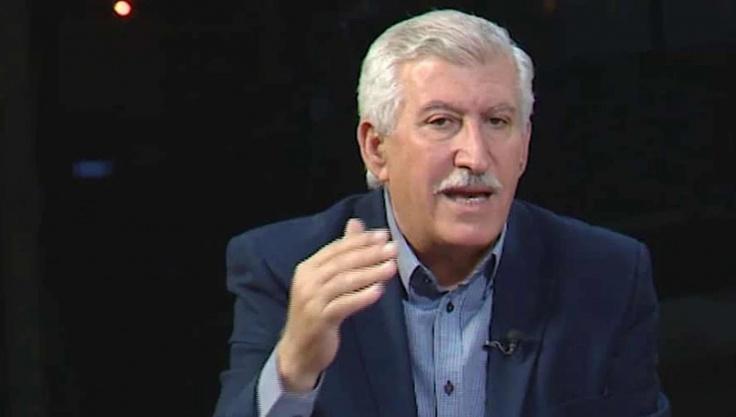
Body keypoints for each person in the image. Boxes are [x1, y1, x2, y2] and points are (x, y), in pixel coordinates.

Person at [214, 9, 670, 417]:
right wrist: (295, 367)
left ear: (524, 147)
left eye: (497, 121)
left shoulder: (605, 275)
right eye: (441, 122)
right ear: (376, 148)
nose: (475, 155)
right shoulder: (284, 267)